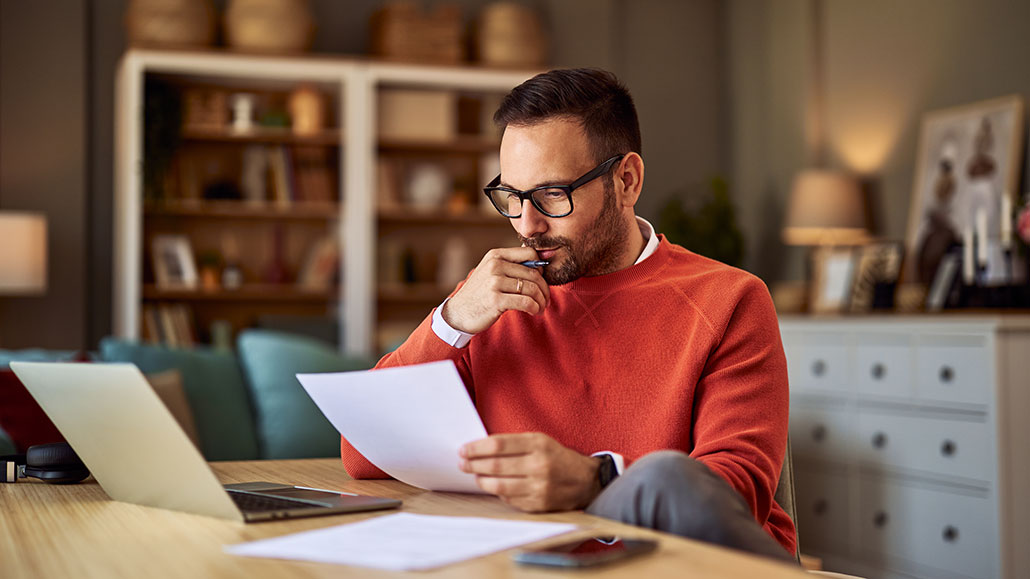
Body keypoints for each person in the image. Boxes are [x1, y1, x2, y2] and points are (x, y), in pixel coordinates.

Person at [341, 68, 796, 562]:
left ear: (626, 181)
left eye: (553, 194)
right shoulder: (489, 300)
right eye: (512, 197)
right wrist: (450, 321)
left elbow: (735, 497)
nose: (527, 225)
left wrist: (596, 480)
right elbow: (363, 456)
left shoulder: (729, 299)